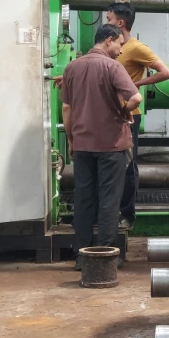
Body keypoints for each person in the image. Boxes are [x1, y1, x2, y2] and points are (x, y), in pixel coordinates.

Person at [61, 24, 142, 268]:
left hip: (83, 145)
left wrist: (72, 140)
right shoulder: (112, 66)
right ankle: (105, 259)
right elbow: (136, 97)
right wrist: (124, 110)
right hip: (111, 146)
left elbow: (67, 108)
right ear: (108, 41)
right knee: (109, 200)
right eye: (119, 44)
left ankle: (81, 257)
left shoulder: (71, 67)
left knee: (84, 199)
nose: (120, 50)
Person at [106, 3, 169, 230]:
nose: (106, 22)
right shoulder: (109, 47)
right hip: (107, 114)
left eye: (109, 19)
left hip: (129, 115)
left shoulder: (135, 48)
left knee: (127, 165)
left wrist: (138, 84)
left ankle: (127, 215)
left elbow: (166, 72)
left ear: (120, 23)